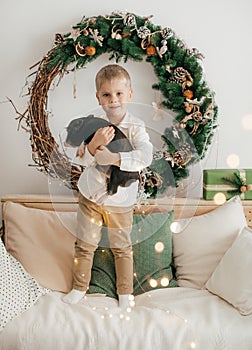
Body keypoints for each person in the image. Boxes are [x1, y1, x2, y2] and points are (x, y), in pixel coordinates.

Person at [63, 64, 153, 308]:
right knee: (85, 244)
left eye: (119, 94)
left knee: (122, 247)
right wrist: (92, 147)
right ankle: (79, 288)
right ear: (98, 98)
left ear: (130, 95)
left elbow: (146, 156)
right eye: (106, 95)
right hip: (90, 195)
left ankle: (125, 293)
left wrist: (113, 158)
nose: (113, 100)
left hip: (120, 199)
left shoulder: (136, 127)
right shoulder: (93, 123)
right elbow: (77, 159)